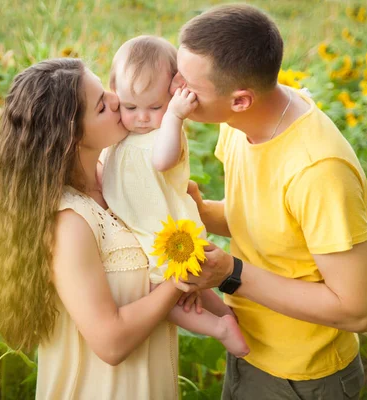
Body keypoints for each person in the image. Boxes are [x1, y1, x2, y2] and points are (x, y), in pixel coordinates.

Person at [170, 4, 367, 399]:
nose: (175, 88)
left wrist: (231, 274)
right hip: (248, 346)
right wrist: (201, 213)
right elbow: (266, 223)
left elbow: (358, 310)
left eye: (190, 86)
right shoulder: (238, 126)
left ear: (241, 100)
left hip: (303, 376)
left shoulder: (319, 170)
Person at [0, 58, 185, 399]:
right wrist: (182, 278)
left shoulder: (116, 175)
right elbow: (110, 342)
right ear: (72, 135)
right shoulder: (69, 221)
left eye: (105, 89)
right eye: (101, 105)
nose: (116, 99)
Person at [102, 35, 249, 358]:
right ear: (115, 93)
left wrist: (175, 116)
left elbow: (162, 161)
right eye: (130, 107)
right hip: (145, 231)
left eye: (155, 107)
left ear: (175, 93)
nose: (142, 117)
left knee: (158, 292)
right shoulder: (124, 135)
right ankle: (228, 316)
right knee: (192, 286)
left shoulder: (167, 133)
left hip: (167, 235)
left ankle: (219, 328)